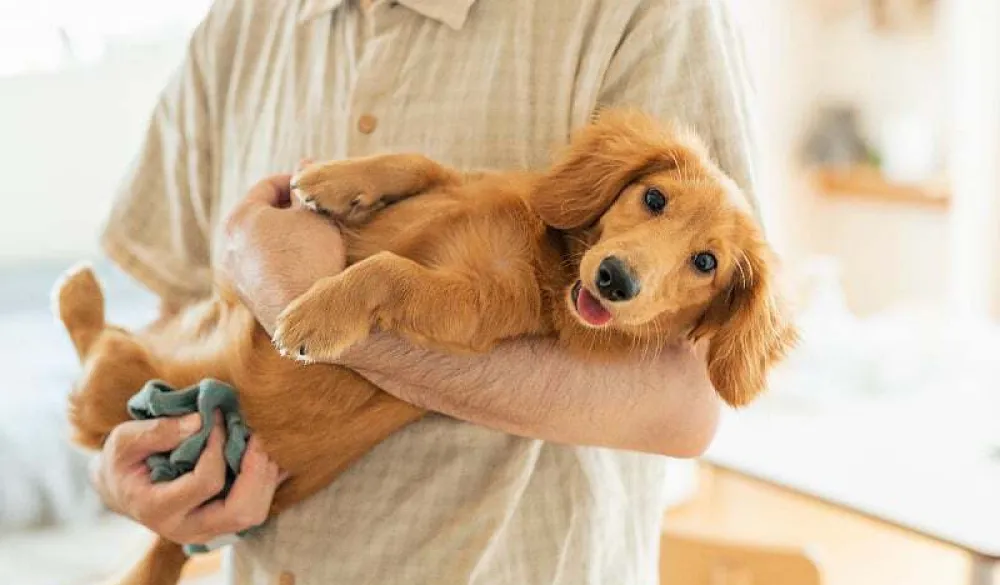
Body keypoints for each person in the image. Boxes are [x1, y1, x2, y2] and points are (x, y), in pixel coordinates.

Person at [89, 0, 761, 583]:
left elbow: (688, 407)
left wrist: (315, 300)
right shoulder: (242, 21)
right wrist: (123, 475)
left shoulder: (648, 14)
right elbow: (177, 307)